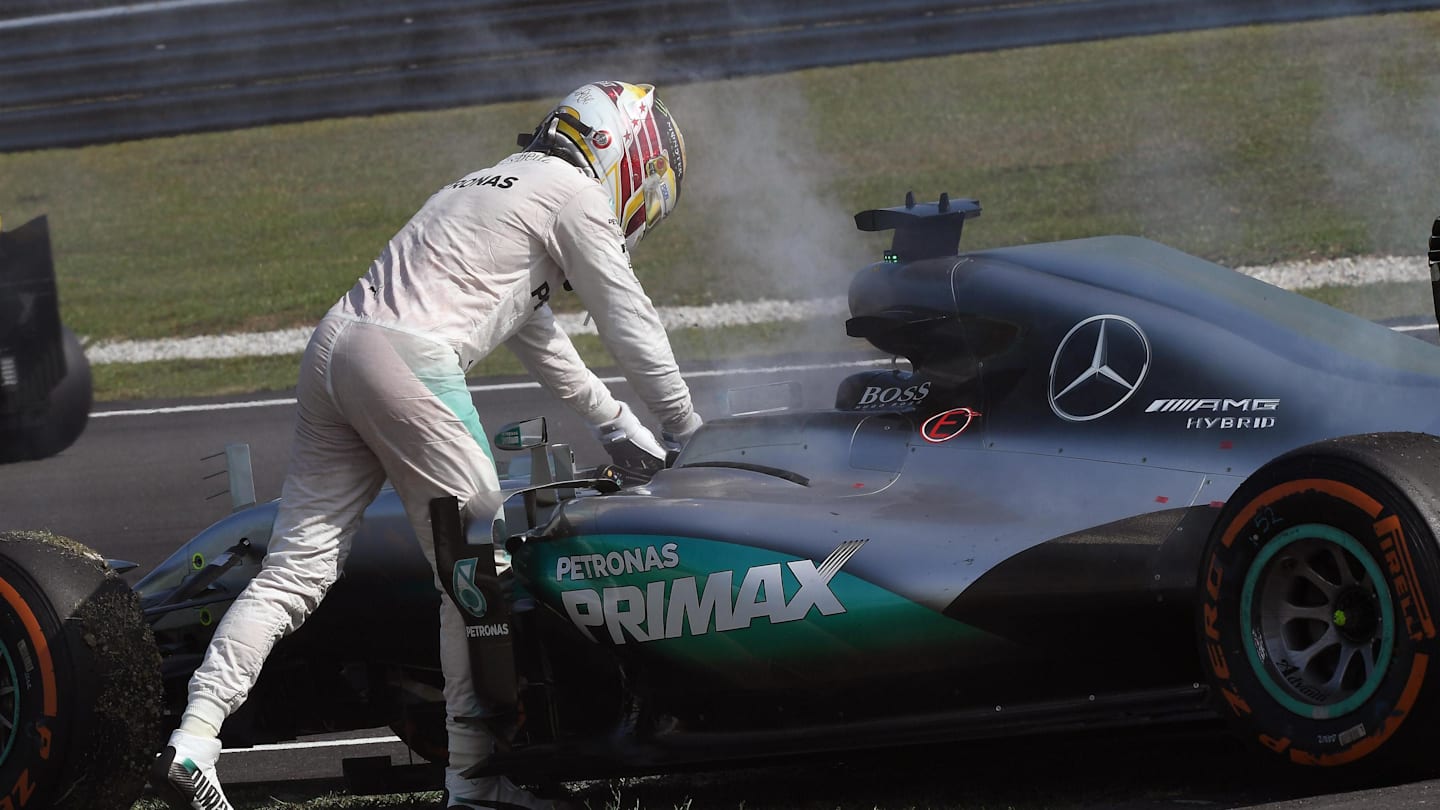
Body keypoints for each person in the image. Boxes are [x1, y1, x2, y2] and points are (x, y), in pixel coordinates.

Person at [150, 80, 702, 810]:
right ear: (623, 152)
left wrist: (614, 421)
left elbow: (535, 333)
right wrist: (686, 430)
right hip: (406, 361)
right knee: (476, 570)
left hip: (334, 348)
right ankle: (475, 783)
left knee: (295, 574)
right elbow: (631, 322)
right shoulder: (573, 196)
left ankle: (194, 739)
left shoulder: (493, 182)